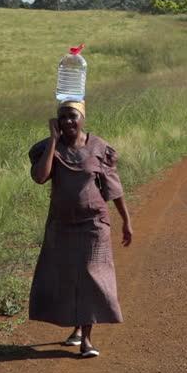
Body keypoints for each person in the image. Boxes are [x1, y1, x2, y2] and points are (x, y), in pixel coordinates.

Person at [28, 100, 133, 358]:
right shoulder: (49, 148)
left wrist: (126, 221)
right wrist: (53, 140)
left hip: (93, 223)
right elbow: (40, 177)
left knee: (90, 275)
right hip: (61, 225)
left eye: (72, 116)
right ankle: (76, 329)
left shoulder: (99, 148)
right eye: (62, 117)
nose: (67, 122)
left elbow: (113, 189)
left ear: (83, 118)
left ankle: (86, 339)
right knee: (67, 276)